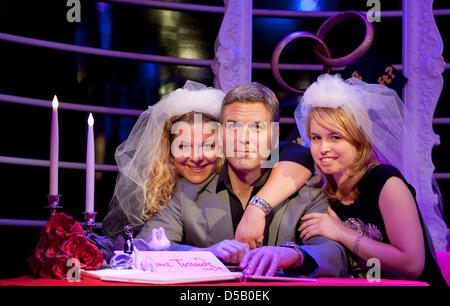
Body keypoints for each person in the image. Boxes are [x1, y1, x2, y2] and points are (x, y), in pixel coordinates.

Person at [136, 82, 347, 277]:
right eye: (233, 126)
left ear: (274, 137)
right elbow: (145, 246)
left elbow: (335, 257)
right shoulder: (188, 191)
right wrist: (205, 254)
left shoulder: (306, 193)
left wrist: (292, 255)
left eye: (256, 127)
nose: (243, 138)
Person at [261, 74, 446, 285]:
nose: (323, 148)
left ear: (358, 140)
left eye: (335, 137)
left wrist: (341, 232)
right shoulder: (322, 192)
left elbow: (412, 265)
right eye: (316, 138)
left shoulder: (385, 182)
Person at [102, 81, 225, 241]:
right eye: (184, 146)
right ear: (169, 150)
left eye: (207, 146)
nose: (196, 158)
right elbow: (148, 245)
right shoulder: (162, 189)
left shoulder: (233, 184)